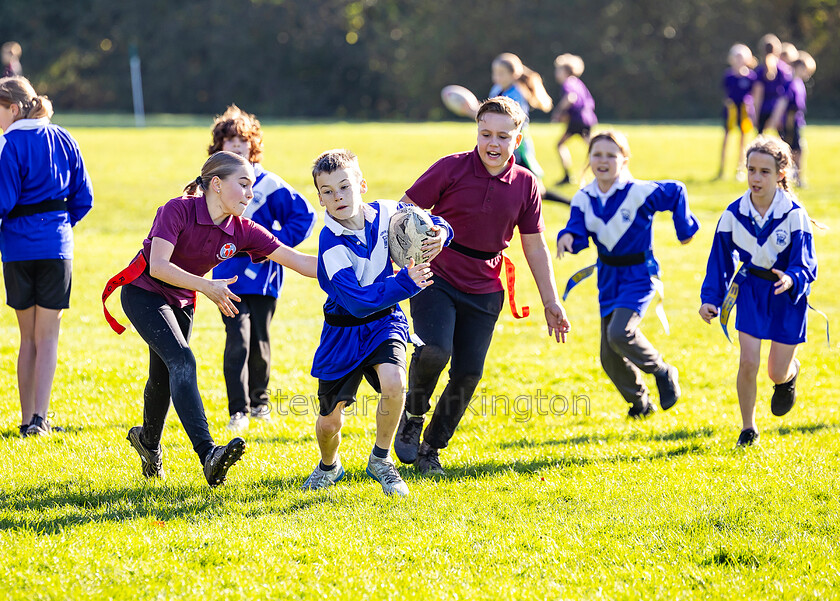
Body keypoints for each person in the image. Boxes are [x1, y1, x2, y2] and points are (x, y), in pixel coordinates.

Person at [103, 151, 317, 487]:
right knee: (183, 361)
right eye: (243, 184)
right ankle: (209, 455)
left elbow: (300, 262)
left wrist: (362, 266)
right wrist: (206, 287)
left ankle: (147, 443)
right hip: (143, 292)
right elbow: (158, 265)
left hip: (182, 300)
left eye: (252, 185)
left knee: (163, 374)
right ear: (216, 184)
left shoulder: (243, 230)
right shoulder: (178, 209)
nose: (251, 193)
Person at [394, 96, 571, 475]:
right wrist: (418, 240)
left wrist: (550, 300)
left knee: (469, 372)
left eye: (503, 137)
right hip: (435, 275)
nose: (493, 143)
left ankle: (431, 450)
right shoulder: (451, 168)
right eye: (485, 133)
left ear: (518, 141)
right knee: (435, 350)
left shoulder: (526, 184)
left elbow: (535, 244)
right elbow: (403, 209)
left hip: (487, 286)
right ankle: (412, 415)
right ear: (476, 132)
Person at [300, 149, 452, 496]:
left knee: (395, 381)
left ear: (362, 185)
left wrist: (441, 233)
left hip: (385, 321)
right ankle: (329, 465)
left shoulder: (388, 213)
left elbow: (433, 222)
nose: (338, 196)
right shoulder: (330, 243)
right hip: (344, 329)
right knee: (329, 421)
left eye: (344, 187)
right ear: (320, 197)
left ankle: (381, 460)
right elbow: (355, 302)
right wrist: (405, 283)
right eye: (328, 191)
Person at [556, 130, 699, 418]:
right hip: (608, 277)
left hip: (639, 275)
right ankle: (641, 404)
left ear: (624, 160)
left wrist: (684, 229)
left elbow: (676, 191)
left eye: (612, 155)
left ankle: (662, 371)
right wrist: (568, 237)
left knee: (620, 332)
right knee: (608, 356)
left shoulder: (638, 192)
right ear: (589, 159)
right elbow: (578, 230)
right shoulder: (584, 197)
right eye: (597, 154)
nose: (603, 160)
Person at [699, 136, 817, 447]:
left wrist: (792, 279)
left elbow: (806, 263)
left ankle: (789, 375)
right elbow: (719, 261)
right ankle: (748, 428)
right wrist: (710, 299)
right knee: (747, 361)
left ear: (781, 174)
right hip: (750, 291)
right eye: (751, 170)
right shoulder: (733, 213)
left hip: (786, 296)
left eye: (764, 171)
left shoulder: (794, 214)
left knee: (774, 373)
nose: (755, 178)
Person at [207, 105, 316, 431]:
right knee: (237, 339)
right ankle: (238, 411)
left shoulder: (267, 183)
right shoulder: (212, 185)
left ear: (253, 144)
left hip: (266, 277)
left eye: (243, 139)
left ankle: (260, 405)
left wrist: (274, 244)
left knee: (260, 342)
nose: (237, 145)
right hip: (227, 276)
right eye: (230, 140)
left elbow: (305, 216)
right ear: (219, 147)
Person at [0, 76, 93, 437]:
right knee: (48, 337)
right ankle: (41, 417)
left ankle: (25, 420)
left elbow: (4, 203)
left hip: (18, 251)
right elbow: (84, 199)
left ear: (13, 108)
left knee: (27, 339)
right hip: (57, 248)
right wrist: (57, 227)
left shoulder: (8, 143)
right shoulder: (65, 138)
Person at [551, 53, 597, 186]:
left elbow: (571, 98)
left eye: (558, 70)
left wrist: (558, 112)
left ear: (565, 71)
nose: (556, 73)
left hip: (578, 120)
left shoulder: (568, 83)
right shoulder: (578, 83)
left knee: (560, 145)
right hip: (587, 119)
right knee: (592, 146)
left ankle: (567, 176)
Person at [717, 44, 758, 181]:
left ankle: (740, 169)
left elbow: (754, 95)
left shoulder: (751, 77)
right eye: (736, 56)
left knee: (743, 141)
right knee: (726, 139)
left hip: (745, 112)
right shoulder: (728, 76)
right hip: (731, 111)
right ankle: (722, 169)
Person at [780, 52, 816, 187]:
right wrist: (788, 127)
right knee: (795, 150)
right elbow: (788, 107)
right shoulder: (790, 83)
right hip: (790, 123)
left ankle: (797, 176)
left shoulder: (798, 83)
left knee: (799, 149)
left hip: (798, 121)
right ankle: (795, 177)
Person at [752, 34, 792, 134]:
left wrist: (755, 116)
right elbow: (785, 95)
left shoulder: (760, 70)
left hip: (763, 110)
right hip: (779, 109)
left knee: (760, 141)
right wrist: (777, 115)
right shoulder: (785, 70)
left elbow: (757, 96)